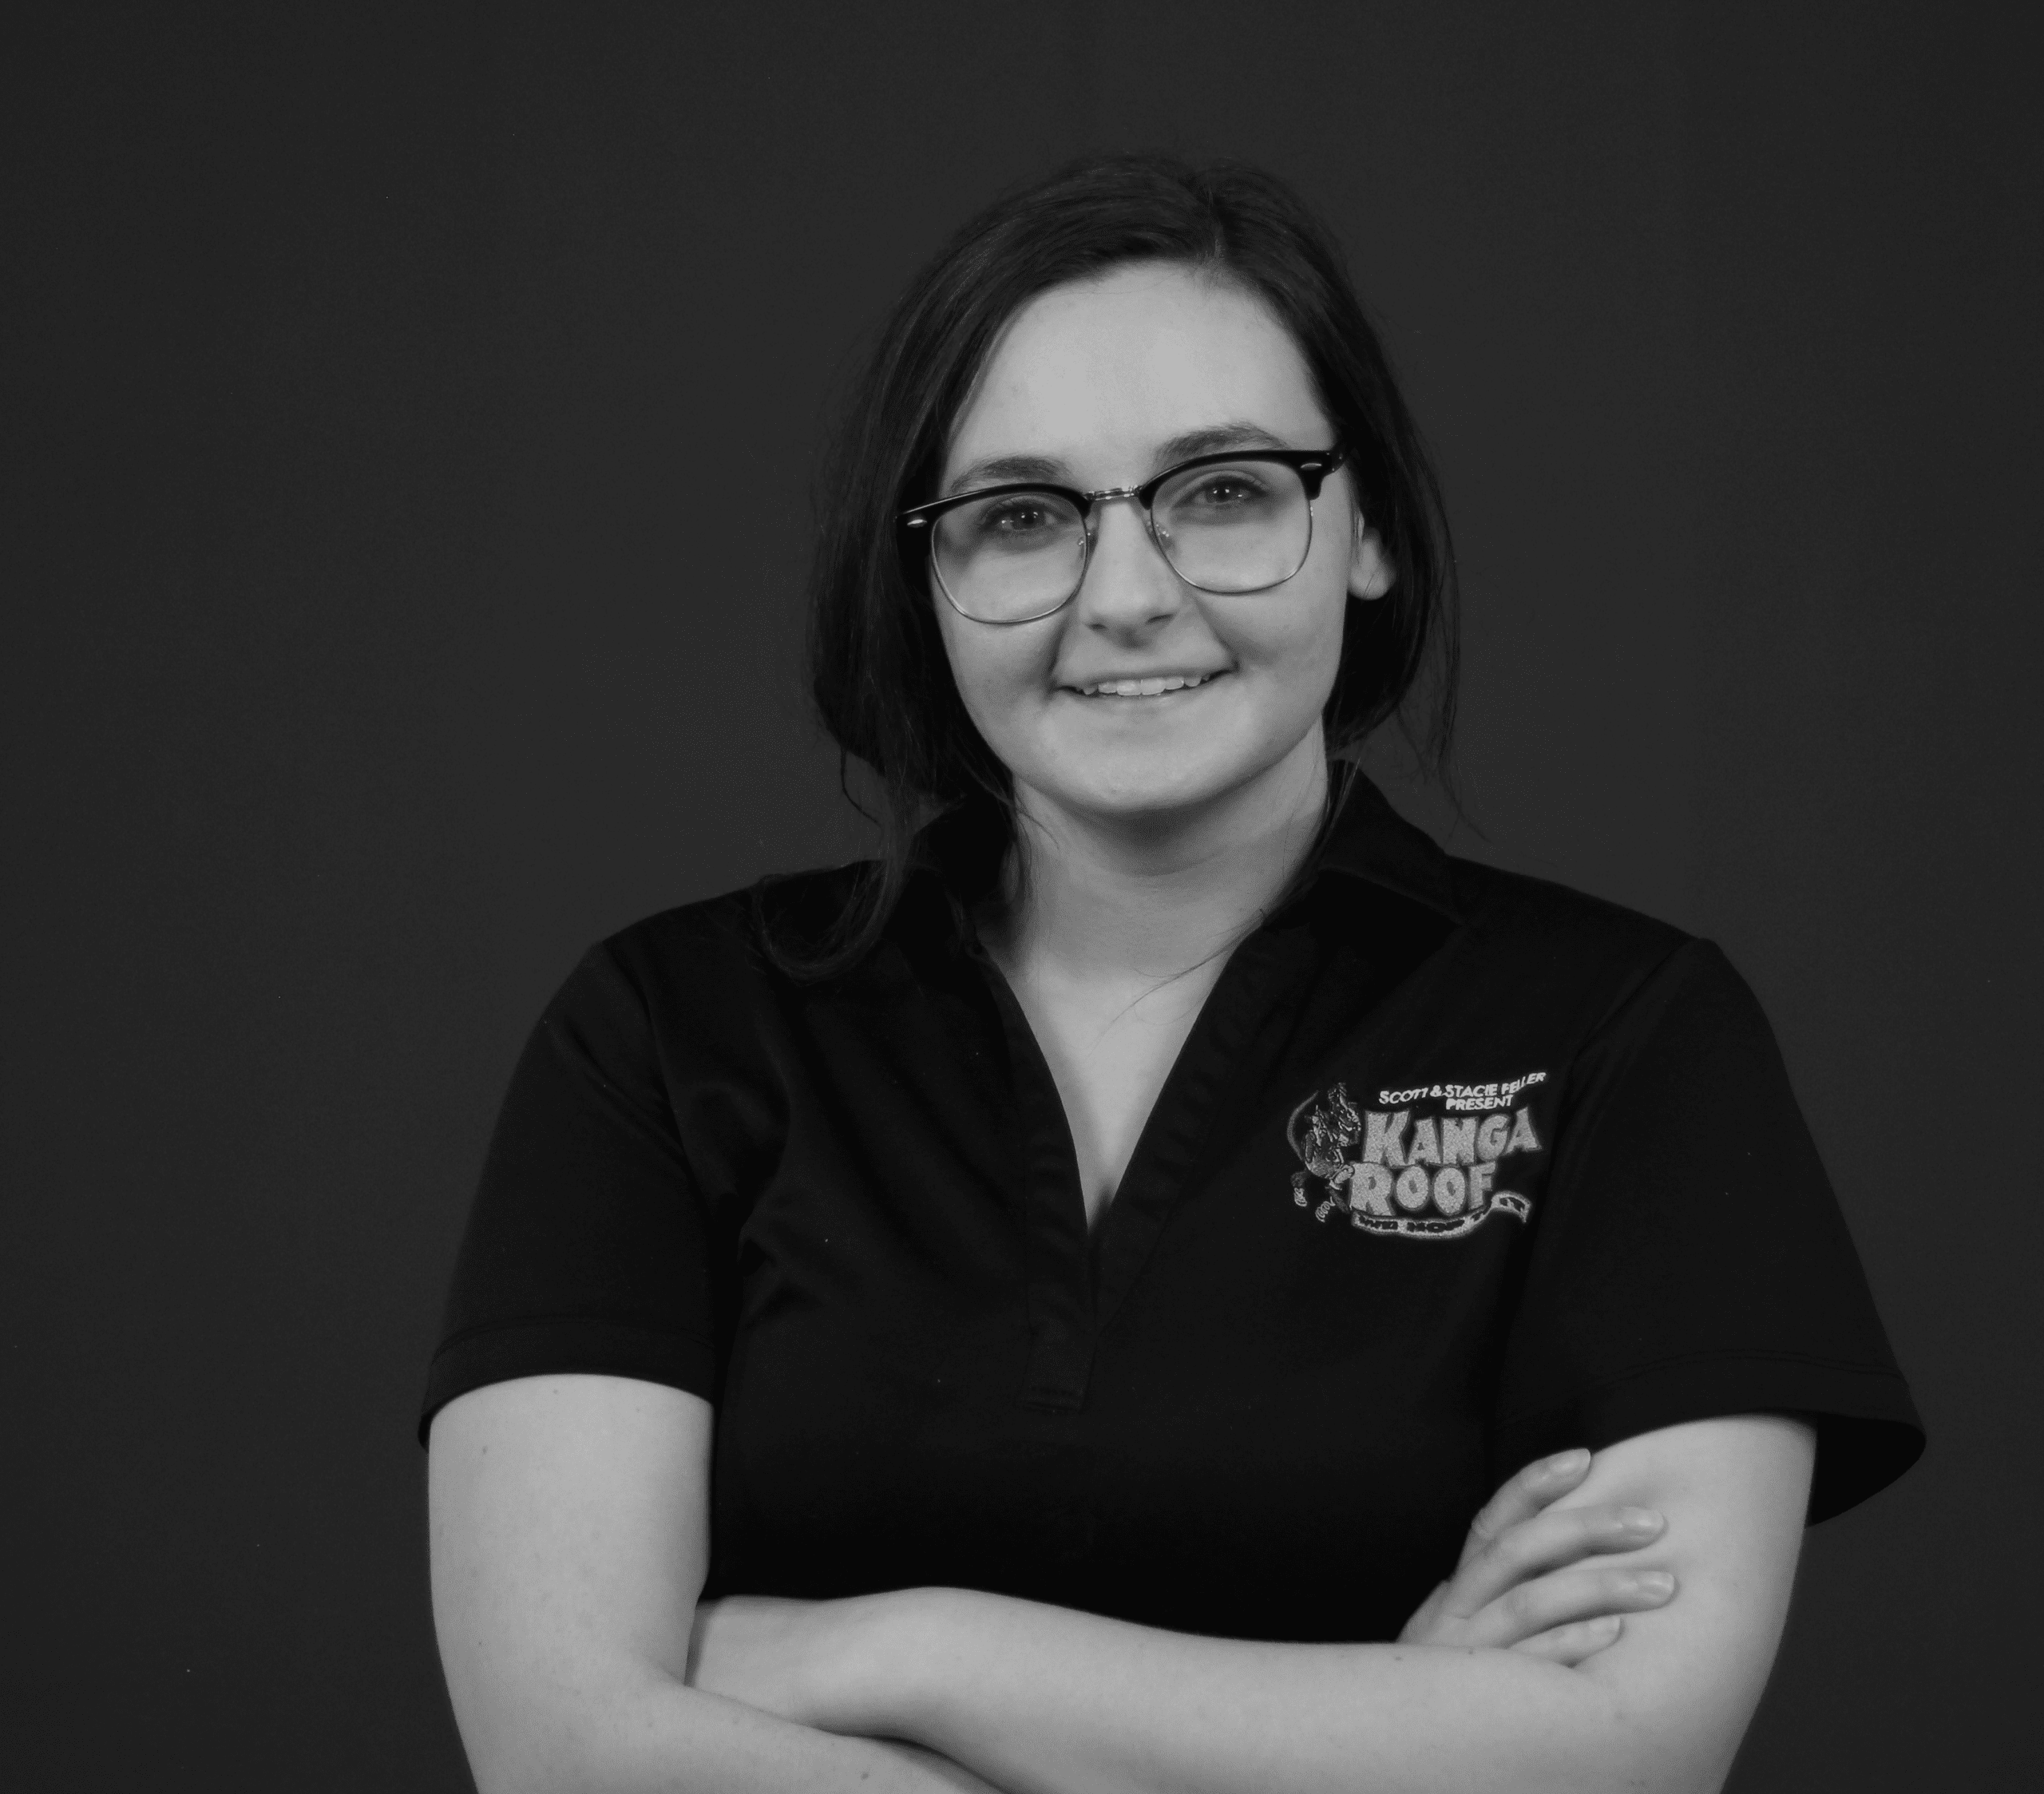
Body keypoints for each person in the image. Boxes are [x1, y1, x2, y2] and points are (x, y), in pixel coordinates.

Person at [420, 155, 1923, 1794]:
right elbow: (563, 1752)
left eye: (1221, 490)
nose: (1125, 596)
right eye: (1020, 515)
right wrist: (1372, 1734)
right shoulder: (665, 1032)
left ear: (1367, 531)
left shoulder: (1624, 1034)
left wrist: (886, 1644)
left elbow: (1626, 1753)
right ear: (923, 583)